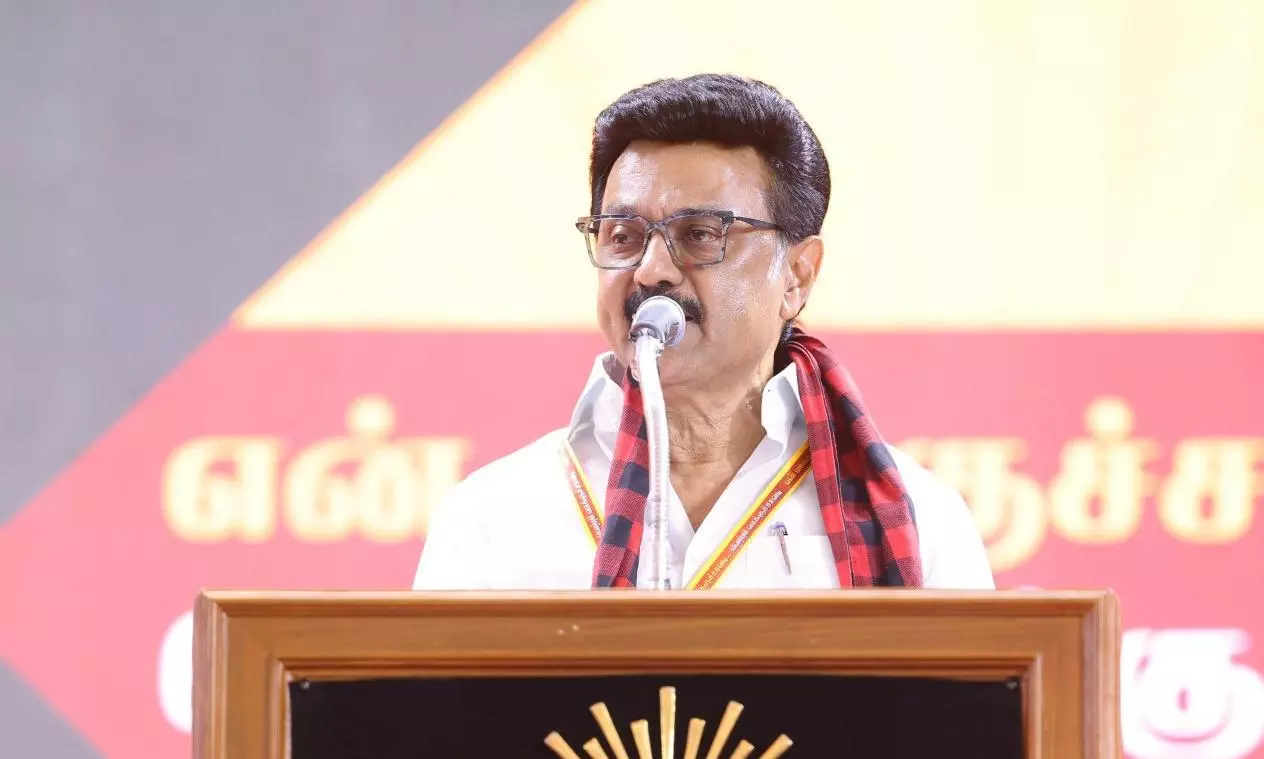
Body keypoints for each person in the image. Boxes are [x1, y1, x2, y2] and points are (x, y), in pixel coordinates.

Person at [413, 74, 994, 591]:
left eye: (700, 234)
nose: (651, 271)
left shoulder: (919, 519)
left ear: (797, 275)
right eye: (623, 236)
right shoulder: (491, 516)